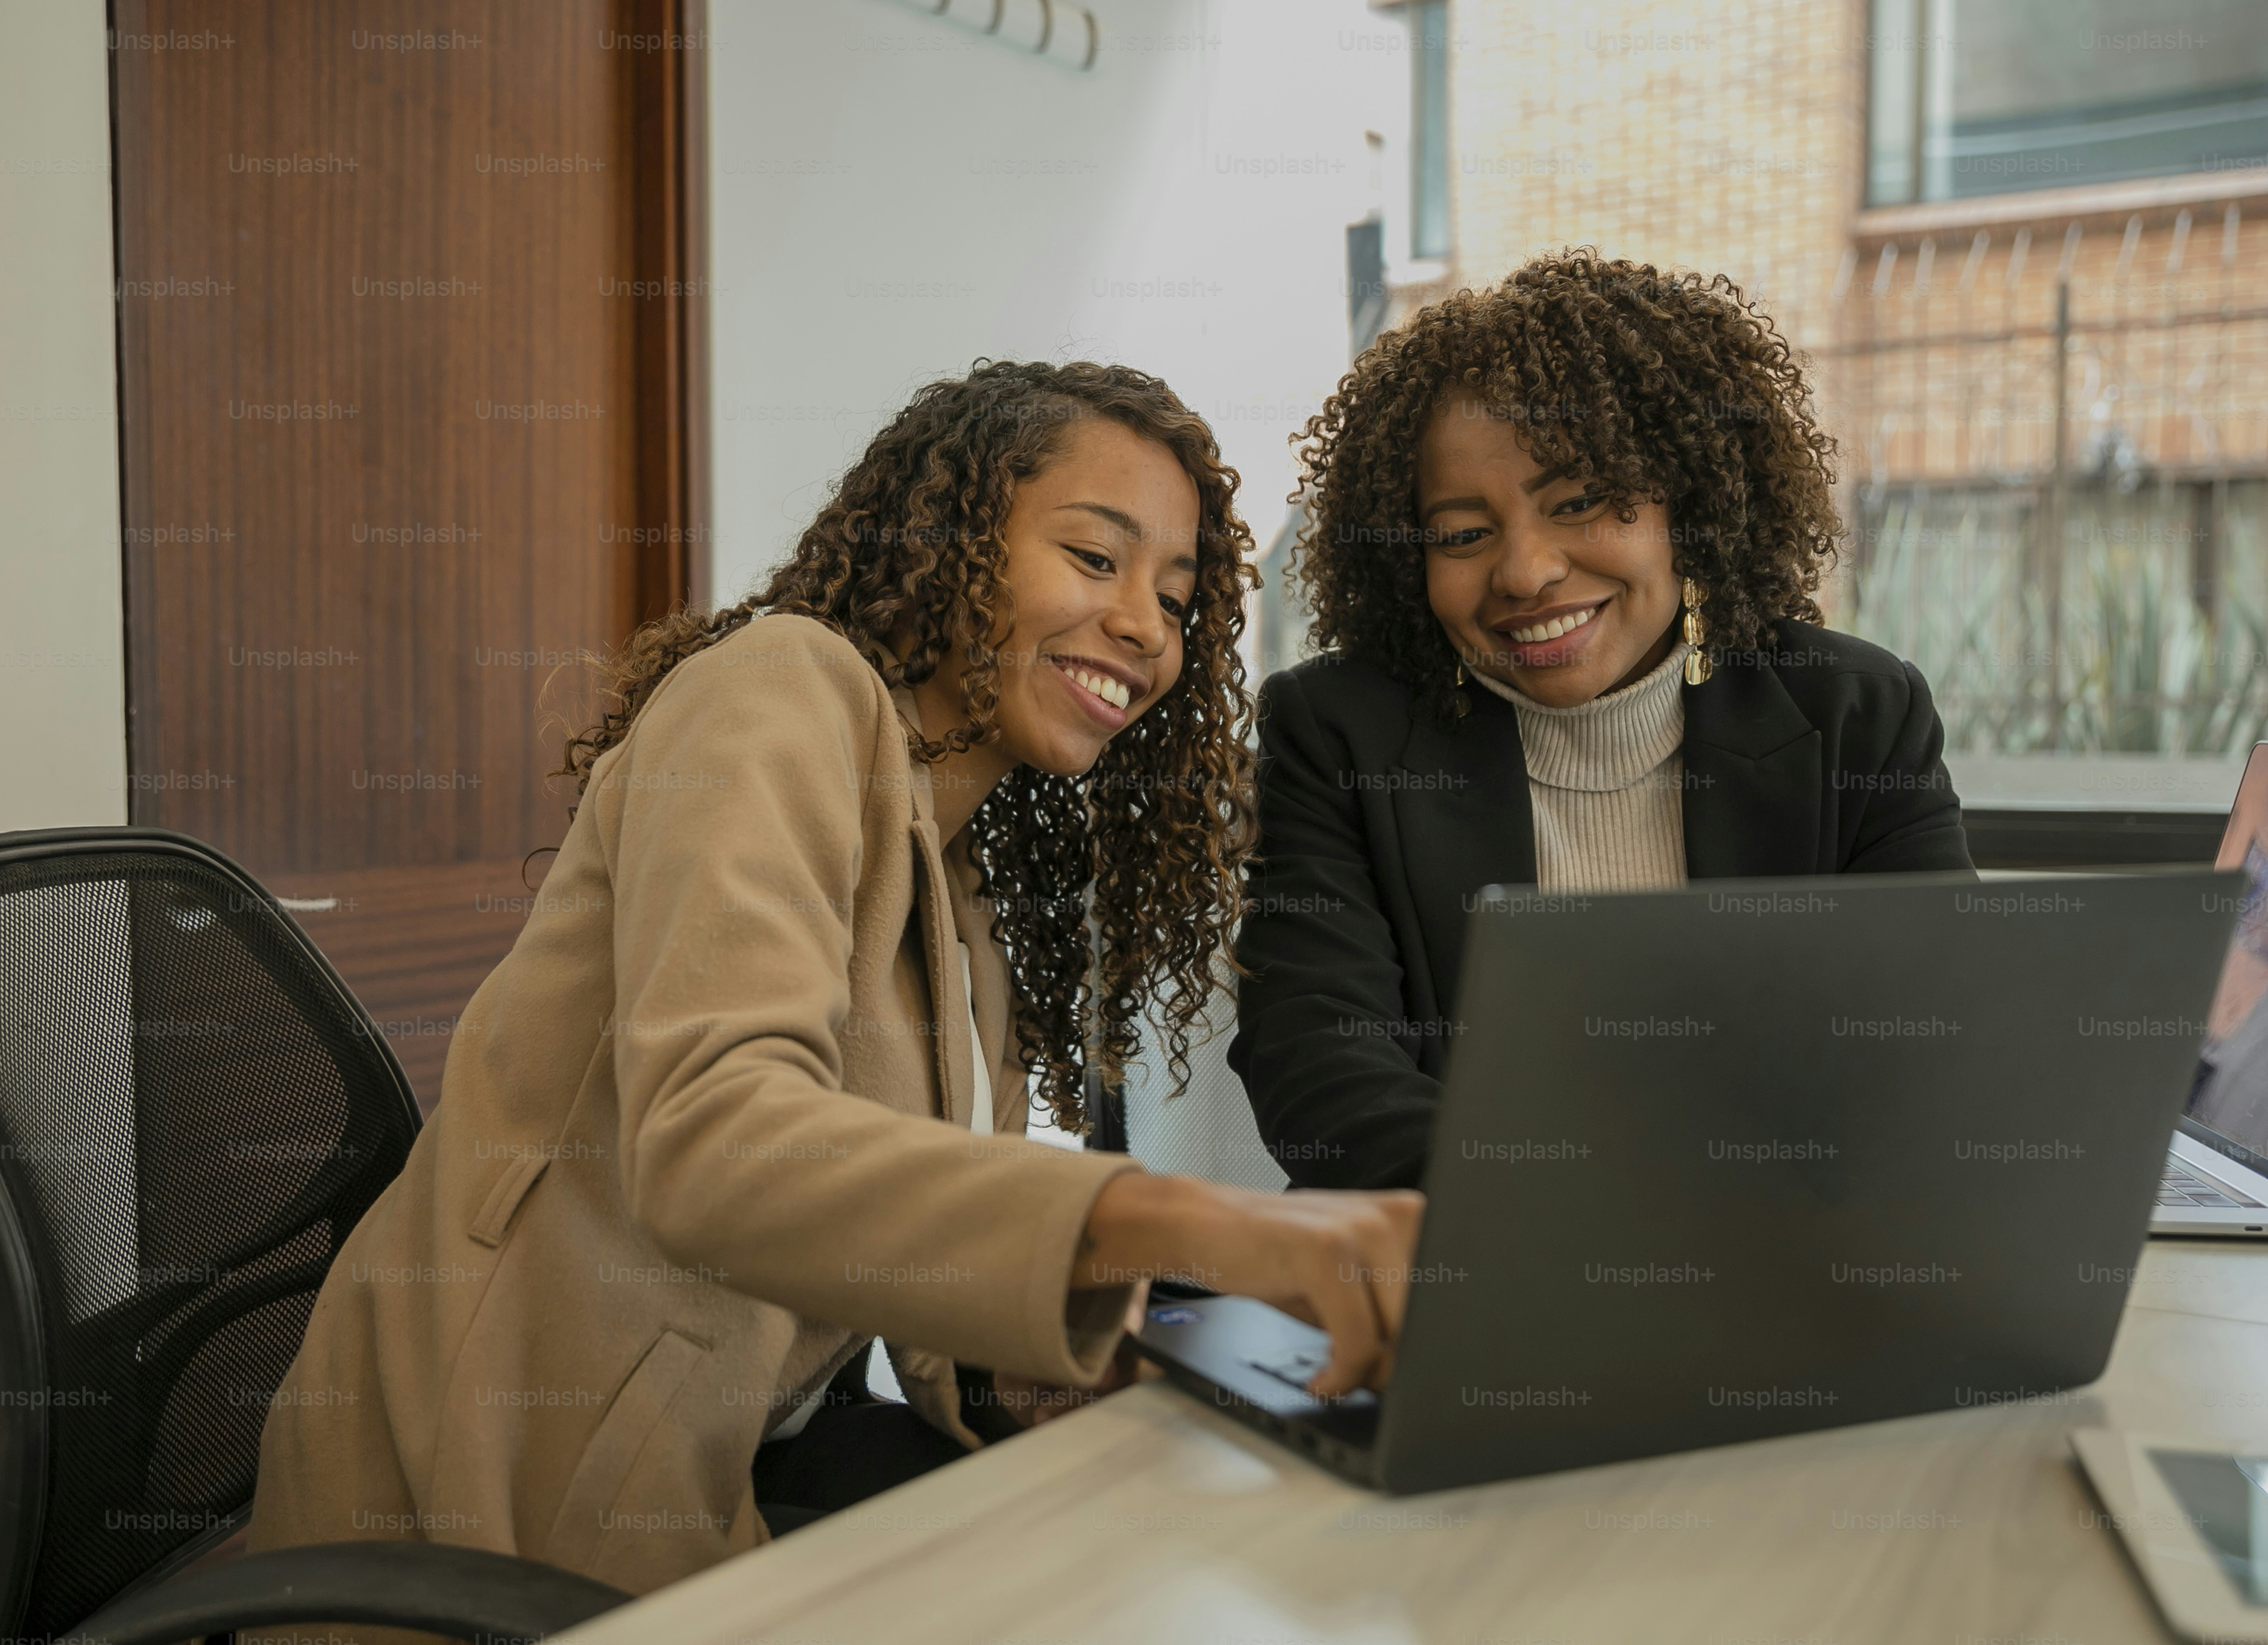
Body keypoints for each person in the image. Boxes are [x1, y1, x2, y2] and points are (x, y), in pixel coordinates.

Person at [248, 360, 1423, 1606]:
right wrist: (1206, 1221)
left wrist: (1078, 1349)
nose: (1144, 624)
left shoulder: (956, 866)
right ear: (950, 543)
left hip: (733, 1448)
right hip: (502, 1493)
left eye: (1175, 598)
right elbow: (720, 1144)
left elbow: (882, 1232)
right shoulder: (779, 688)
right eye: (1093, 558)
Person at [1234, 251, 1974, 1194]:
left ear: (1689, 505)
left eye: (1577, 502)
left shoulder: (1854, 717)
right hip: (1471, 1274)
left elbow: (1935, 1041)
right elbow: (1320, 1080)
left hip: (1799, 1266)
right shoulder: (1339, 736)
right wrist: (1609, 1205)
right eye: (1461, 533)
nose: (1524, 572)